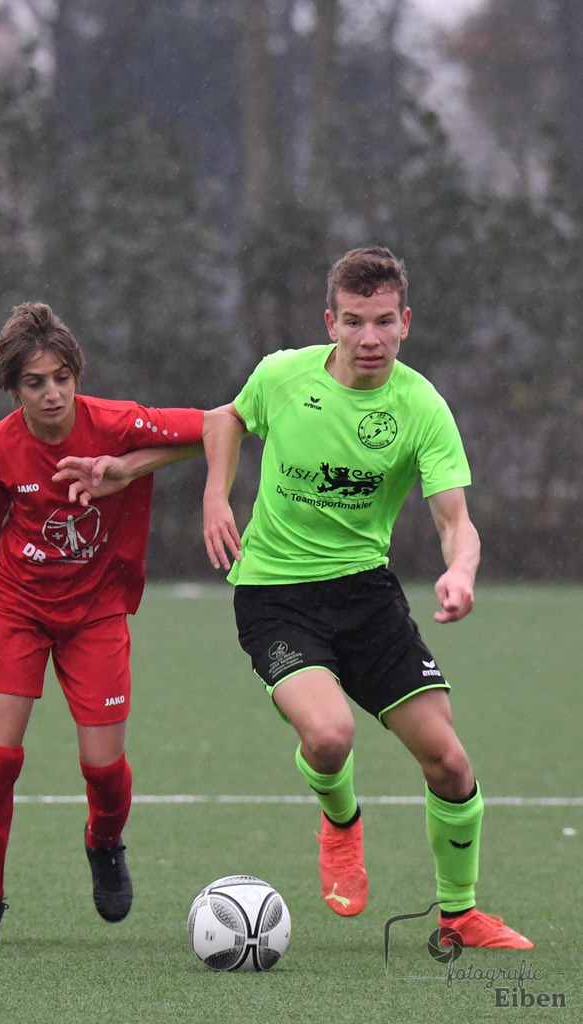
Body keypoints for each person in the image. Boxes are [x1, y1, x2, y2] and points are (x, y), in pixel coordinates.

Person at [199, 246, 533, 949]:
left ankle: (457, 917)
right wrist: (214, 497)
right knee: (328, 736)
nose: (369, 339)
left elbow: (454, 522)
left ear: (405, 321)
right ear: (331, 322)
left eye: (383, 321)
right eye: (353, 322)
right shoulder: (282, 377)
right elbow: (223, 418)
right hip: (274, 596)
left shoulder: (420, 406)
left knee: (448, 763)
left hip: (366, 599)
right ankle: (341, 823)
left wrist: (460, 572)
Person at [0, 302, 222, 946]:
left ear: (77, 375)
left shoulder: (117, 423)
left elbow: (216, 425)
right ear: (13, 389)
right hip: (16, 608)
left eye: (62, 377)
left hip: (96, 611)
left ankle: (104, 843)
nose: (52, 393)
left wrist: (128, 466)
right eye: (35, 382)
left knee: (102, 768)